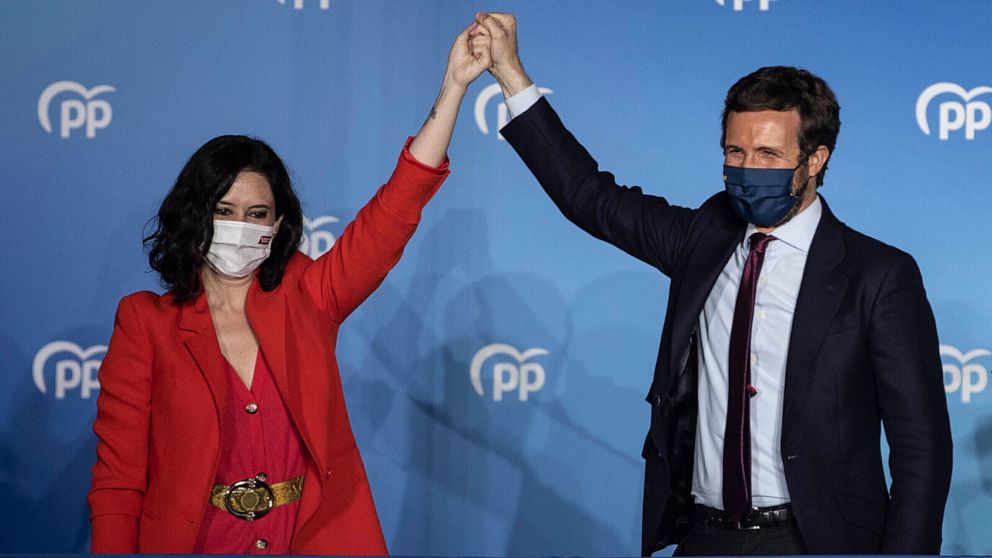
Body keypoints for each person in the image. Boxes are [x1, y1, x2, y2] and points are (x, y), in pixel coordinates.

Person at [471, 12, 952, 556]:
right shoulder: (702, 238)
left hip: (818, 542)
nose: (748, 170)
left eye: (769, 155)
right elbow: (590, 198)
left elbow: (921, 448)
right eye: (734, 153)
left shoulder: (878, 274)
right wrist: (510, 74)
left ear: (815, 159)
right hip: (705, 538)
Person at [88, 24, 492, 555]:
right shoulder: (146, 322)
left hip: (310, 540)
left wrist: (454, 87)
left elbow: (394, 211)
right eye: (224, 211)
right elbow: (118, 481)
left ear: (277, 225)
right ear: (194, 216)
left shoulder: (310, 294)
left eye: (257, 214)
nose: (240, 226)